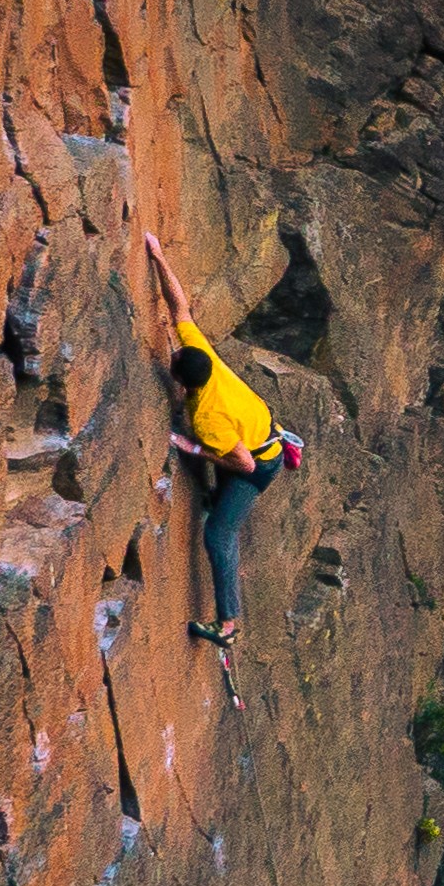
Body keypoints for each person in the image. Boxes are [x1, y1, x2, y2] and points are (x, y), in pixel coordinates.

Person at [141, 228, 284, 649]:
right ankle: (215, 497)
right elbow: (179, 306)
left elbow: (245, 465)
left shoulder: (206, 419)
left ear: (181, 382)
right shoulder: (205, 357)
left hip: (259, 463)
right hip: (259, 433)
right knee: (214, 477)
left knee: (219, 536)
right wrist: (158, 255)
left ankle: (228, 625)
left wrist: (195, 449)